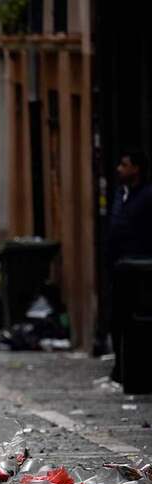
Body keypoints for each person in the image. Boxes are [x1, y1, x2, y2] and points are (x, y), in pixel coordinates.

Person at [105, 150, 152, 380]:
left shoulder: (146, 196)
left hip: (139, 267)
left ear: (136, 169)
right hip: (119, 267)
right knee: (117, 318)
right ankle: (121, 367)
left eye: (124, 165)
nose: (119, 169)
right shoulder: (119, 194)